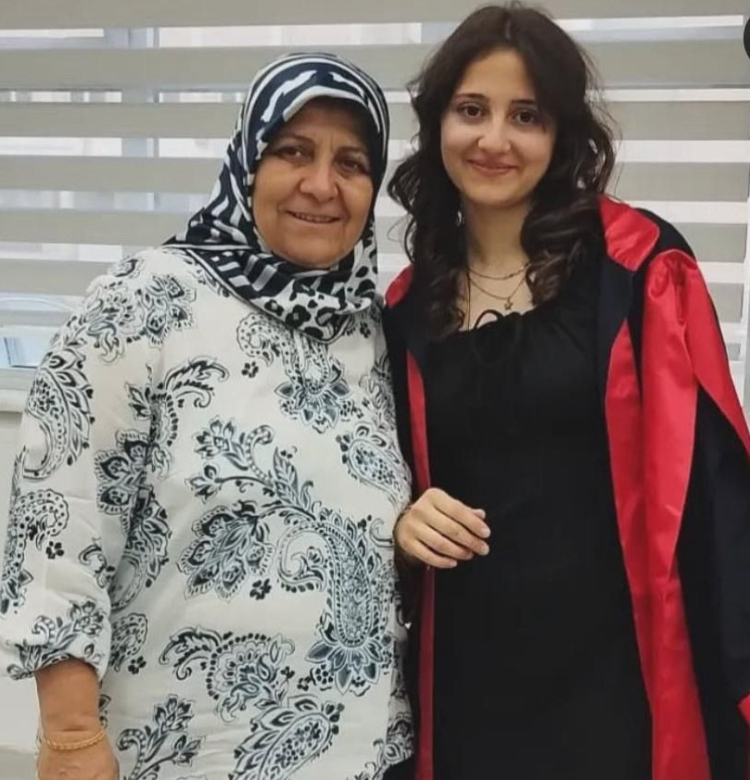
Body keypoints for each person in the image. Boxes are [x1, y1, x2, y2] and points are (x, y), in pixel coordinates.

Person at [0, 52, 415, 780]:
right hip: (174, 754)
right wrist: (69, 736)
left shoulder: (376, 333)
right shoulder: (146, 302)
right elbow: (58, 524)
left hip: (364, 755)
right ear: (248, 161)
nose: (322, 185)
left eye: (351, 163)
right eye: (294, 152)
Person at [383, 4, 750, 780]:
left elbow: (716, 487)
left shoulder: (639, 270)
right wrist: (403, 520)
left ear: (562, 135)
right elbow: (378, 481)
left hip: (613, 679)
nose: (494, 139)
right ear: (437, 122)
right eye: (471, 110)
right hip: (467, 680)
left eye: (527, 116)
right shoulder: (406, 308)